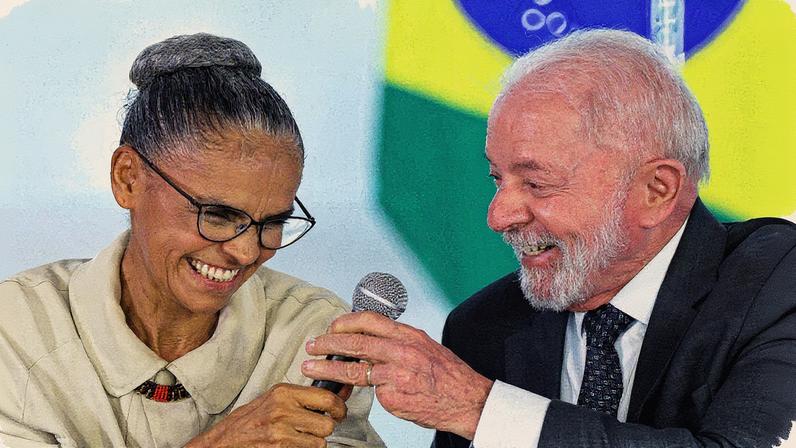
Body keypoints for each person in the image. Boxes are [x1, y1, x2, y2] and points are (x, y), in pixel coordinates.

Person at [301, 29, 796, 447]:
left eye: (537, 183)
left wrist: (481, 408)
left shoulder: (778, 283)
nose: (498, 216)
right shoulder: (484, 328)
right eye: (498, 179)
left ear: (656, 190)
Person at [0, 33, 383, 447]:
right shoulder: (18, 330)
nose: (246, 251)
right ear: (128, 178)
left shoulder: (314, 337)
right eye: (217, 215)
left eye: (272, 222)